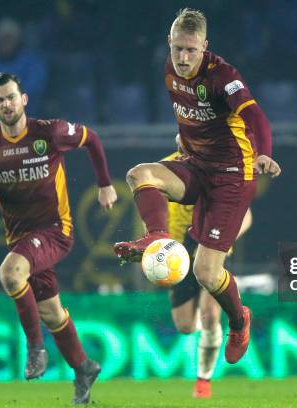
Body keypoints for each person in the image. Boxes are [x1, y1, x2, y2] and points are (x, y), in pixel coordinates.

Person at [114, 8, 281, 365]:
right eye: (178, 49)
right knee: (138, 174)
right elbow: (191, 115)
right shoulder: (169, 70)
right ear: (169, 45)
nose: (184, 57)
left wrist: (264, 153)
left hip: (231, 178)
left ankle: (239, 320)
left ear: (205, 46)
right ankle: (157, 236)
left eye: (191, 50)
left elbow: (255, 117)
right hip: (196, 166)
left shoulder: (224, 77)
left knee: (206, 273)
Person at [0, 72, 117, 404]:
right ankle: (84, 367)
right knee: (52, 313)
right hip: (21, 239)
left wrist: (104, 183)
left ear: (24, 99)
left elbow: (92, 139)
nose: (7, 104)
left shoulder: (49, 132)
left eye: (11, 97)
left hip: (55, 230)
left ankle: (35, 349)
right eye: (0, 100)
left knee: (10, 274)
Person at [162, 143, 253, 398]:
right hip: (178, 251)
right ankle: (211, 337)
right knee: (186, 326)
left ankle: (203, 380)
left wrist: (228, 233)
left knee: (210, 316)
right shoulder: (166, 168)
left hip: (212, 245)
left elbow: (245, 215)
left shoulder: (219, 167)